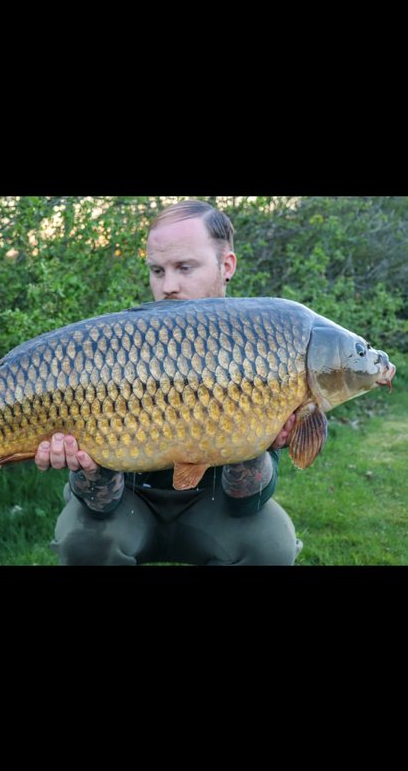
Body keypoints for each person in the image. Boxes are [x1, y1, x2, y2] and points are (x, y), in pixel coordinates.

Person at [35, 200, 301, 566]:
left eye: (184, 267)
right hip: (127, 503)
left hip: (213, 506)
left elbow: (248, 502)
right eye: (157, 270)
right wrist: (86, 467)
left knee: (271, 546)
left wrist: (253, 441)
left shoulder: (259, 342)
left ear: (226, 266)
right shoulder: (122, 345)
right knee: (84, 539)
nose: (168, 286)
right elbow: (100, 505)